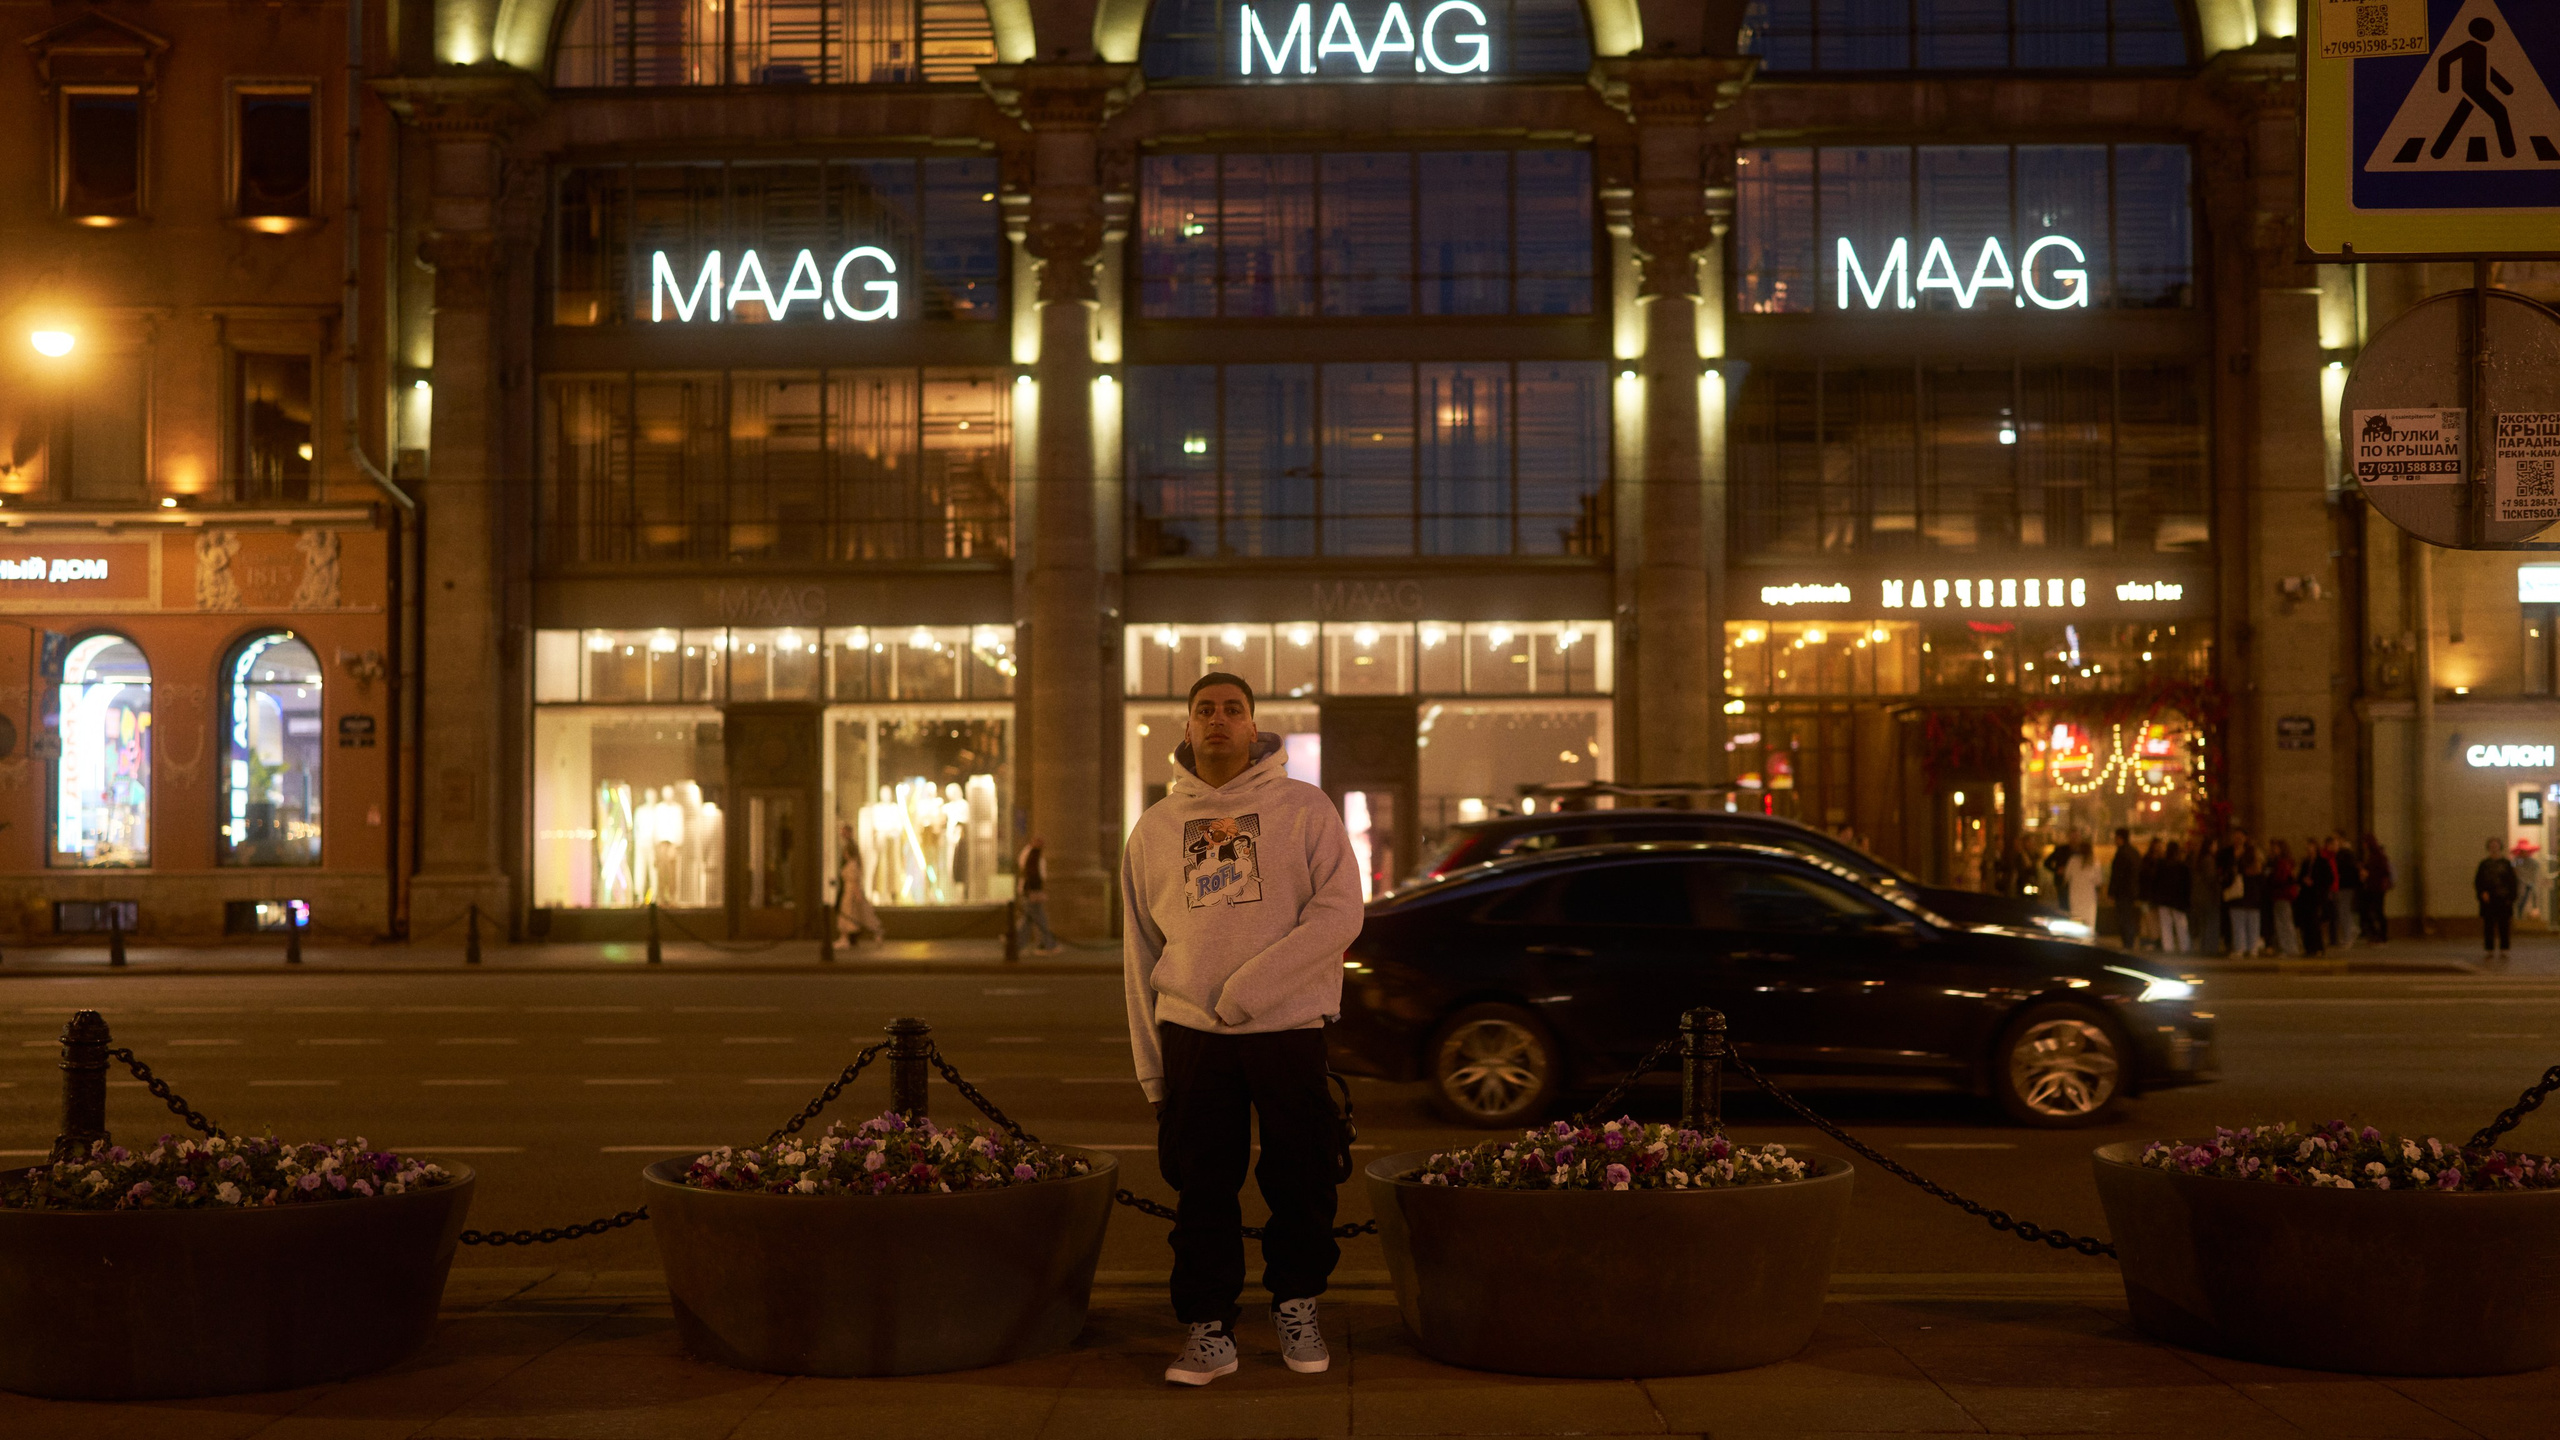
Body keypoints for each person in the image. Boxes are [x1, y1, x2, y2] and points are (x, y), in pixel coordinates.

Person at [1123, 671, 1365, 1387]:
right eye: (1206, 711)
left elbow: (1340, 914)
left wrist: (1245, 991)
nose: (1219, 720)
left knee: (1302, 1179)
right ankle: (1206, 1328)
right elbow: (1139, 951)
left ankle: (1296, 1305)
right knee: (1202, 1188)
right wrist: (1151, 1067)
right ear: (1188, 727)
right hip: (1192, 1037)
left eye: (1233, 709)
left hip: (1288, 1029)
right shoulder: (1158, 828)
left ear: (1254, 723)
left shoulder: (1304, 809)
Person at [834, 822, 882, 948]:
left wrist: (857, 893)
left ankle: (848, 938)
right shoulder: (851, 862)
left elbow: (854, 880)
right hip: (848, 891)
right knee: (851, 914)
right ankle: (848, 938)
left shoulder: (852, 864)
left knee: (852, 914)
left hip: (850, 892)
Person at [2477, 837, 2520, 964]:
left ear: (2500, 847)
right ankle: (2489, 947)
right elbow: (2478, 880)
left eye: (2496, 845)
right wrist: (2482, 893)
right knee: (2489, 924)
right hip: (2489, 899)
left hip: (2503, 898)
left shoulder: (2506, 864)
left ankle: (2504, 947)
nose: (2494, 848)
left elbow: (2512, 881)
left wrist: (2511, 897)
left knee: (2504, 924)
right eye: (2492, 845)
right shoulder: (2484, 864)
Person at [1017, 834, 1060, 955]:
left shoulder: (1029, 853)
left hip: (1029, 891)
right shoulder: (1032, 854)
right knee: (1039, 918)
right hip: (1032, 892)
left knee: (1028, 919)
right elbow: (1033, 874)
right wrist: (1036, 890)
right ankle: (1048, 944)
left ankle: (1016, 943)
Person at [2106, 828, 2143, 950]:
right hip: (2132, 891)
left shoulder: (2121, 853)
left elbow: (2117, 875)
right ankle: (2129, 942)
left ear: (2119, 838)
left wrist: (2111, 891)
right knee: (2128, 917)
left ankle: (2128, 943)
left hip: (2122, 892)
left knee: (2124, 918)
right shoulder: (2134, 852)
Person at [2185, 836, 2222, 959]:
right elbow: (2210, 879)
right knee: (2210, 923)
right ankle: (2210, 949)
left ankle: (2205, 948)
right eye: (2215, 845)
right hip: (2208, 898)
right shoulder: (2208, 860)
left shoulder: (2199, 859)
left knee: (2204, 924)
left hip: (2199, 897)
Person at [2150, 840, 2189, 953]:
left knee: (2165, 925)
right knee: (2181, 924)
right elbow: (2185, 885)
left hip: (2164, 899)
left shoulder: (2162, 865)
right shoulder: (2181, 866)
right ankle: (2184, 947)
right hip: (2177, 900)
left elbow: (2155, 882)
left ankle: (2168, 947)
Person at [2232, 840, 2265, 957]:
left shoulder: (2241, 864)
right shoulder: (2258, 867)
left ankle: (2240, 949)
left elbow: (2233, 875)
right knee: (2253, 927)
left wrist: (2236, 858)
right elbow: (2262, 884)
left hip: (2240, 899)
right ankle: (2253, 949)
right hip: (2254, 901)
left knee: (2239, 926)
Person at [2359, 834, 2394, 942]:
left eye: (2365, 842)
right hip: (2371, 887)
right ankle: (2375, 934)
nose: (2364, 845)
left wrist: (2369, 874)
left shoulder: (2378, 855)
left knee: (2378, 911)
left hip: (2378, 888)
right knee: (2367, 910)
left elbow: (2384, 871)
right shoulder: (2370, 855)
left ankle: (2382, 935)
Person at [2268, 839, 2300, 955]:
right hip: (2281, 895)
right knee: (2283, 922)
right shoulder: (2282, 862)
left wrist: (2271, 878)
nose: (2274, 850)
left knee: (2284, 923)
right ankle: (2288, 947)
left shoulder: (2282, 863)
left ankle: (2289, 948)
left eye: (2276, 848)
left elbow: (2281, 879)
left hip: (2282, 895)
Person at [2063, 838, 2101, 937]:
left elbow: (2066, 877)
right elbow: (2098, 881)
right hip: (2089, 898)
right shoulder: (2095, 863)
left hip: (2075, 895)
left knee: (2076, 920)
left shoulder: (2072, 861)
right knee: (2089, 922)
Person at [2331, 834, 2363, 948]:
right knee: (2343, 910)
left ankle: (2348, 935)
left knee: (2344, 910)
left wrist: (2340, 877)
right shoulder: (2345, 853)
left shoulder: (2344, 853)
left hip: (2345, 886)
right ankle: (2351, 931)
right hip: (2345, 885)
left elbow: (2346, 869)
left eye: (2336, 840)